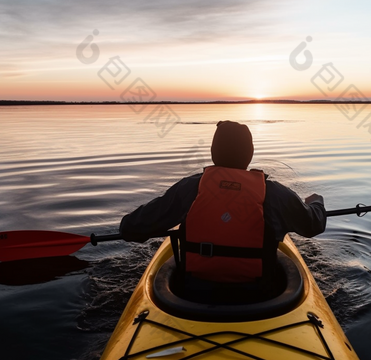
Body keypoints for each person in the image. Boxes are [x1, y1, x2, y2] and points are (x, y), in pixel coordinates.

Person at [119, 121, 326, 288]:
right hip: (259, 293)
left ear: (213, 152)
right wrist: (316, 203)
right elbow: (313, 225)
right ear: (249, 154)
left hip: (194, 291)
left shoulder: (189, 189)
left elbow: (130, 229)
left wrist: (129, 224)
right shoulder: (274, 193)